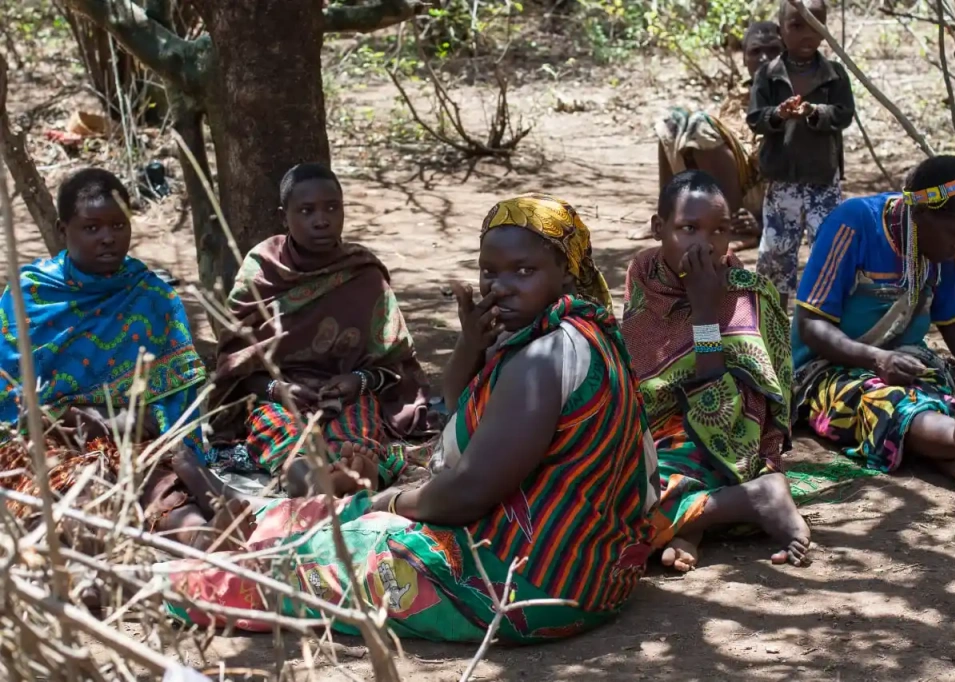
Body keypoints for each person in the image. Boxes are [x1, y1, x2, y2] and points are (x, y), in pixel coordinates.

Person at [162, 194, 660, 643]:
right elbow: (460, 414)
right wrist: (470, 342)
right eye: (490, 272)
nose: (501, 287)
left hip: (527, 586)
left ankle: (167, 585)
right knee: (342, 516)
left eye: (523, 271)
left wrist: (390, 500)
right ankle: (246, 526)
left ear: (567, 272)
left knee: (317, 559)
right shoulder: (584, 334)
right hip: (593, 573)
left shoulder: (542, 358)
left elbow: (466, 493)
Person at [792, 155, 955, 505]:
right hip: (829, 366)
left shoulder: (942, 251)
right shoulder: (853, 225)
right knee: (888, 403)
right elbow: (811, 326)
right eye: (954, 234)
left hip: (908, 361)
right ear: (920, 215)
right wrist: (876, 358)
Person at [0, 168, 214, 544]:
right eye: (92, 228)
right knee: (76, 492)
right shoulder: (29, 298)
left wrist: (136, 424)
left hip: (136, 442)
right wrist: (78, 417)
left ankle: (201, 540)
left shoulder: (152, 297)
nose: (108, 239)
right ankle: (84, 560)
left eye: (118, 225)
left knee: (166, 493)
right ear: (63, 228)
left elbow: (178, 403)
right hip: (53, 442)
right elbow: (10, 402)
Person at [621, 170, 809, 572]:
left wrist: (704, 309)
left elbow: (725, 411)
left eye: (719, 230)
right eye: (688, 228)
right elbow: (640, 372)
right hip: (655, 431)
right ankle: (700, 520)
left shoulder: (744, 292)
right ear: (659, 228)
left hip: (723, 442)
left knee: (625, 513)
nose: (705, 244)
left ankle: (756, 496)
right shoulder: (644, 274)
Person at [208, 163, 430, 498]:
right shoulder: (262, 272)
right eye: (306, 210)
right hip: (276, 397)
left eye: (331, 207)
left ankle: (357, 468)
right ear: (284, 217)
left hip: (344, 394)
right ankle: (306, 476)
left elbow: (395, 364)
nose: (321, 220)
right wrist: (276, 389)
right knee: (281, 429)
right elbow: (234, 370)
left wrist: (359, 381)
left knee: (358, 423)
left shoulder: (362, 272)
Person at [747, 0, 855, 308]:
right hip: (782, 179)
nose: (807, 34)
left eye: (815, 24)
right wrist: (778, 115)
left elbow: (844, 114)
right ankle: (774, 324)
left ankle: (826, 322)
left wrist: (815, 112)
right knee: (776, 256)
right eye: (797, 26)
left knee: (829, 249)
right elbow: (756, 118)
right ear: (781, 31)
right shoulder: (768, 75)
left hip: (823, 178)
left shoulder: (834, 74)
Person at [638, 22, 784, 249]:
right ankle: (667, 216)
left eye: (773, 50)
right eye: (756, 51)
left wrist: (762, 219)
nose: (765, 58)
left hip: (763, 193)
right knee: (671, 122)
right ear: (744, 59)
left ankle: (733, 224)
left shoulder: (791, 95)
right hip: (730, 181)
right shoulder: (741, 92)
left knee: (700, 126)